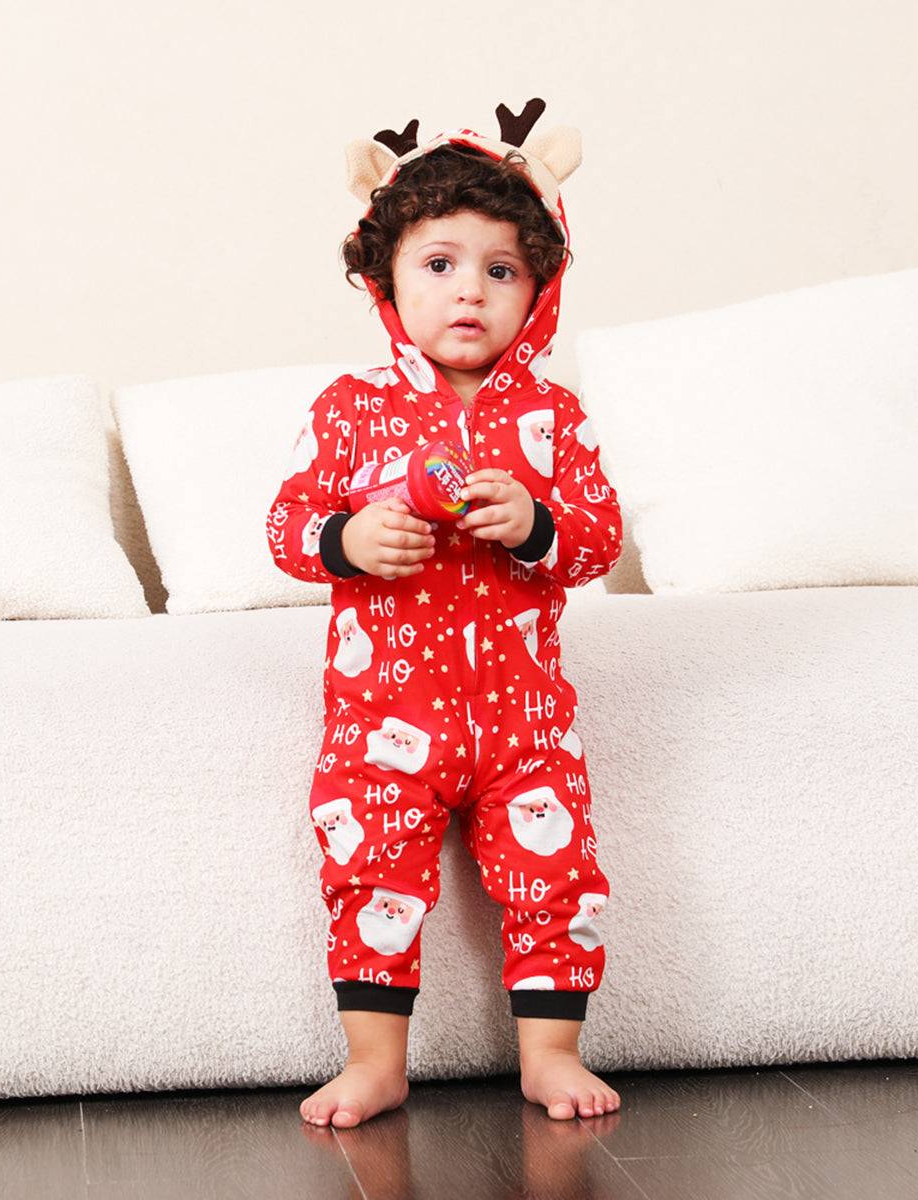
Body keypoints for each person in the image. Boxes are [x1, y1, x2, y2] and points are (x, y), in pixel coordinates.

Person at [264, 100, 624, 1128]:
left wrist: (538, 524)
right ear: (386, 283)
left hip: (524, 718)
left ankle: (550, 1053)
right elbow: (289, 525)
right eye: (440, 265)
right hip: (386, 715)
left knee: (557, 873)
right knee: (370, 867)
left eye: (501, 270)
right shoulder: (351, 406)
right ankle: (376, 1061)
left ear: (537, 293)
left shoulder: (553, 417)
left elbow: (599, 540)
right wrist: (351, 539)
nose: (470, 289)